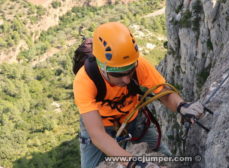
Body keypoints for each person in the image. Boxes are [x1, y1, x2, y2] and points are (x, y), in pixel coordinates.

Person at [73, 22, 204, 168]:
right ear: (102, 68)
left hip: (133, 119)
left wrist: (182, 106)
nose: (127, 79)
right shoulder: (84, 81)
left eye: (130, 71)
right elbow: (97, 134)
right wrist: (134, 163)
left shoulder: (137, 64)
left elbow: (162, 91)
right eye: (119, 74)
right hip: (102, 125)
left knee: (167, 159)